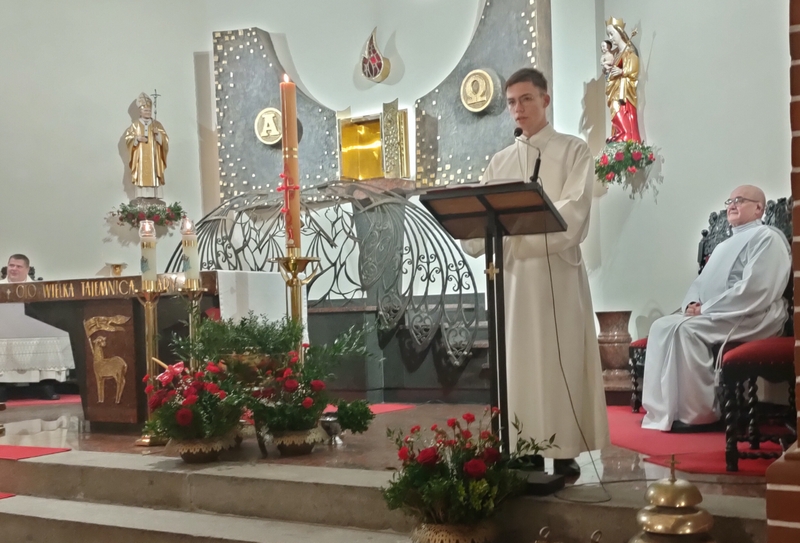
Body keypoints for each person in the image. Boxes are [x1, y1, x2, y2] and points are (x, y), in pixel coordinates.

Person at [462, 68, 609, 476]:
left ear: (545, 100)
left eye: (526, 99)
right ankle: (522, 447)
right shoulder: (501, 161)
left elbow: (573, 213)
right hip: (512, 282)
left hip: (556, 277)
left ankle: (563, 452)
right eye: (512, 102)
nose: (518, 108)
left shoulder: (573, 150)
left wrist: (517, 233)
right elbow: (477, 225)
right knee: (519, 363)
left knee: (558, 359)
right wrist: (481, 231)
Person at [641, 185, 791, 433]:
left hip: (753, 315)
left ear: (758, 208)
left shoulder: (767, 238)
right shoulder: (723, 245)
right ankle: (665, 410)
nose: (732, 205)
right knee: (661, 326)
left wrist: (707, 308)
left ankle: (699, 413)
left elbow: (757, 288)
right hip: (719, 312)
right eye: (730, 201)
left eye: (740, 200)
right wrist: (691, 304)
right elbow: (700, 283)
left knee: (687, 332)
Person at [605, 17, 641, 143]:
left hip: (623, 92)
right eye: (608, 35)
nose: (610, 38)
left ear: (620, 32)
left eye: (612, 34)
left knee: (619, 109)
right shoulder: (617, 55)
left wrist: (622, 71)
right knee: (614, 110)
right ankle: (619, 134)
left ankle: (625, 134)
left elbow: (634, 67)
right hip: (615, 89)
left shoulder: (629, 51)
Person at [124, 92, 169, 189]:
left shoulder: (157, 124)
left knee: (154, 173)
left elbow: (165, 139)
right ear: (140, 112)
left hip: (154, 156)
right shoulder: (135, 125)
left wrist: (158, 134)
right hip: (140, 156)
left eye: (149, 111)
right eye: (145, 111)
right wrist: (137, 139)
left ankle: (155, 193)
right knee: (141, 174)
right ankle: (141, 194)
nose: (148, 112)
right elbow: (128, 139)